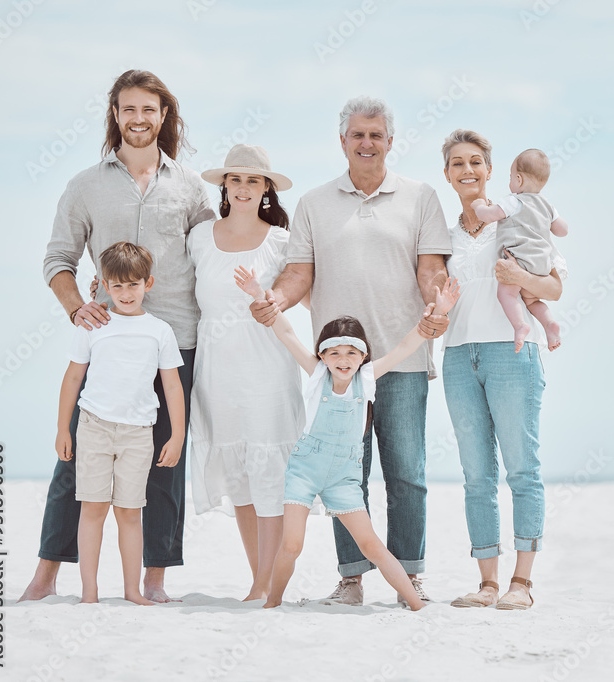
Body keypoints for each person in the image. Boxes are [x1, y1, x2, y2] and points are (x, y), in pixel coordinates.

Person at [250, 96, 451, 606]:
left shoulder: (421, 196)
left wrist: (436, 303)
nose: (367, 143)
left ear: (390, 140)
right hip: (338, 369)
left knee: (407, 470)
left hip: (401, 361)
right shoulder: (315, 203)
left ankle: (409, 572)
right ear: (342, 141)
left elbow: (431, 268)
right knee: (348, 471)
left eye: (376, 135)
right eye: (357, 135)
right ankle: (352, 578)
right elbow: (299, 273)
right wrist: (276, 299)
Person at [23, 69, 215, 603]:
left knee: (164, 461)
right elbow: (57, 258)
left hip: (177, 338)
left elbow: (213, 254)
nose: (138, 119)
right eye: (128, 109)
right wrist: (77, 307)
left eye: (148, 110)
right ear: (115, 114)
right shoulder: (85, 185)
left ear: (163, 115)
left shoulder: (192, 186)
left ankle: (153, 579)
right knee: (78, 457)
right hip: (107, 339)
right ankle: (46, 573)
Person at [235, 267, 458, 610]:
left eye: (351, 352)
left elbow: (406, 345)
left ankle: (417, 605)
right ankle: (272, 603)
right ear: (322, 355)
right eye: (334, 352)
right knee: (292, 544)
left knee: (372, 546)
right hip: (305, 470)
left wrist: (439, 312)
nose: (343, 360)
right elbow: (286, 331)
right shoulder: (315, 375)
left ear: (363, 356)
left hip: (344, 477)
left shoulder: (367, 378)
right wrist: (257, 293)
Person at [439, 130, 566, 610]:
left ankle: (522, 583)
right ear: (447, 175)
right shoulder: (443, 236)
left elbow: (553, 288)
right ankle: (488, 583)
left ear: (491, 171)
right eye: (457, 164)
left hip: (513, 354)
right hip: (457, 355)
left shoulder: (519, 216)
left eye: (475, 162)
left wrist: (522, 279)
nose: (467, 170)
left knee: (522, 470)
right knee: (476, 475)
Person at [187, 145, 306, 601]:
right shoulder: (199, 236)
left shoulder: (281, 240)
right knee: (238, 476)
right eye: (235, 179)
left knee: (269, 475)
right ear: (224, 186)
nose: (243, 188)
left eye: (253, 181)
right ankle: (257, 579)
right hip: (216, 373)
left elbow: (298, 291)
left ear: (266, 190)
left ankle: (266, 583)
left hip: (267, 372)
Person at [55, 242, 186, 604]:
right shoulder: (92, 325)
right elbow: (72, 378)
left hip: (138, 432)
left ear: (149, 283)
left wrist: (177, 435)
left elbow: (172, 386)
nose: (125, 293)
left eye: (133, 285)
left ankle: (132, 591)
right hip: (94, 426)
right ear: (103, 285)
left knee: (130, 513)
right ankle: (89, 592)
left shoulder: (160, 330)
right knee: (93, 508)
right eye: (117, 285)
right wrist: (62, 428)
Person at [472, 149, 568, 352]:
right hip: (541, 264)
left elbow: (489, 215)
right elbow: (561, 230)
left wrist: (479, 206)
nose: (509, 183)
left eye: (510, 178)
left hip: (519, 258)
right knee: (532, 299)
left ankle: (519, 325)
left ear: (518, 179)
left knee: (506, 293)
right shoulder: (547, 205)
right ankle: (549, 323)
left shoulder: (514, 200)